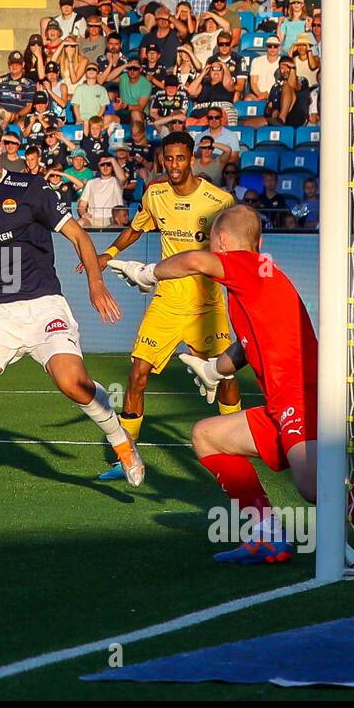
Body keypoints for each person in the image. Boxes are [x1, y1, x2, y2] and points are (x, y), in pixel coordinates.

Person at [107, 205, 354, 568]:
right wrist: (214, 369)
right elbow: (247, 345)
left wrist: (147, 272)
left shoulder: (246, 267)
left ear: (220, 241)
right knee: (207, 435)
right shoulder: (257, 279)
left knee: (316, 486)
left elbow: (194, 262)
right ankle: (268, 537)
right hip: (282, 404)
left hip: (301, 397)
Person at [0, 115, 143, 511]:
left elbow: (78, 235)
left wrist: (95, 283)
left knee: (72, 382)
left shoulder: (31, 188)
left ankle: (121, 443)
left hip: (43, 306)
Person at [84, 132, 240, 477]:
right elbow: (137, 228)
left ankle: (236, 445)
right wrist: (107, 254)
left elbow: (236, 250)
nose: (173, 165)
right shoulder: (155, 194)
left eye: (180, 158)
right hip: (167, 300)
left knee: (227, 376)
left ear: (193, 159)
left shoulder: (219, 200)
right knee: (137, 374)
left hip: (207, 305)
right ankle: (124, 458)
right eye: (168, 159)